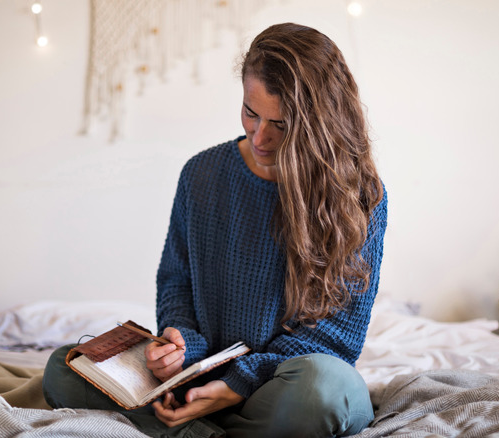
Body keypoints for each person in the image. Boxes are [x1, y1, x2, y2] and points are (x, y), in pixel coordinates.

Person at [43, 22, 387, 438]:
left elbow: (337, 339)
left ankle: (192, 431)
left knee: (328, 389)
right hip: (199, 383)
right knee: (65, 367)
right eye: (250, 112)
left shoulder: (358, 195)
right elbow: (176, 282)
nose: (260, 137)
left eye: (281, 124)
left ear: (319, 124)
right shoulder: (201, 173)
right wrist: (179, 343)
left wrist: (237, 385)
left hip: (277, 388)